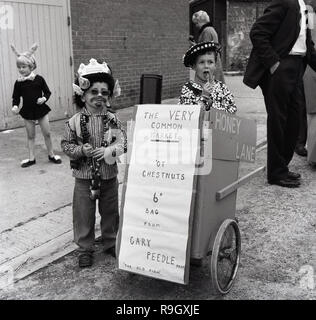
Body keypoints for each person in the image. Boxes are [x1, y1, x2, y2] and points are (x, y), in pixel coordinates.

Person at [61, 58, 127, 268]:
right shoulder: (74, 121)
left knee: (110, 211)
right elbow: (65, 145)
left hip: (108, 176)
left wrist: (109, 150)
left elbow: (122, 143)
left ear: (110, 95)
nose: (99, 96)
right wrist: (81, 150)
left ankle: (110, 241)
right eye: (93, 92)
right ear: (83, 94)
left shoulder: (113, 119)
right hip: (83, 178)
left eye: (104, 92)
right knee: (83, 215)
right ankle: (85, 248)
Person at [243, 0, 316, 188]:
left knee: (294, 121)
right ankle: (275, 173)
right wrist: (273, 63)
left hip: (298, 66)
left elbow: (307, 45)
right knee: (278, 121)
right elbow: (257, 32)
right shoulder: (285, 2)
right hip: (281, 66)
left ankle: (281, 166)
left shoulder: (304, 7)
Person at [11, 43, 62, 168]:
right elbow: (16, 97)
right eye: (19, 67)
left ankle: (51, 154)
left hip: (41, 110)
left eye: (23, 66)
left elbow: (48, 92)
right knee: (30, 135)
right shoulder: (18, 83)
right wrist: (15, 106)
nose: (21, 69)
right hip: (27, 112)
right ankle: (31, 158)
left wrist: (44, 98)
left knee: (47, 133)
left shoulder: (39, 79)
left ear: (31, 66)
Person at [179, 41, 237, 114]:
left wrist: (212, 105)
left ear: (215, 65)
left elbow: (232, 110)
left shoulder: (222, 87)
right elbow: (186, 115)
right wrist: (204, 97)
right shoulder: (188, 89)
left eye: (210, 62)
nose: (206, 66)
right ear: (194, 66)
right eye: (202, 62)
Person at [191, 10, 225, 83]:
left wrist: (194, 47)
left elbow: (205, 50)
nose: (196, 26)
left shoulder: (206, 31)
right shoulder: (210, 30)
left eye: (196, 23)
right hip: (213, 62)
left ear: (200, 21)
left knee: (209, 88)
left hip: (208, 65)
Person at [303, 3, 316, 167]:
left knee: (313, 116)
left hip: (310, 65)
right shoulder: (309, 10)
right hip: (312, 65)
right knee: (313, 114)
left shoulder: (308, 10)